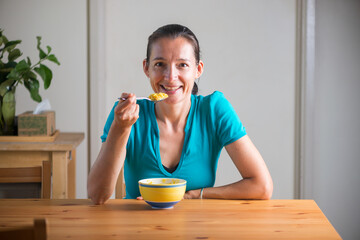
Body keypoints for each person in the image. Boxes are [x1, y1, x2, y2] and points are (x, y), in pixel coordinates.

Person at [87, 24, 273, 204]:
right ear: (146, 68)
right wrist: (120, 129)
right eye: (160, 64)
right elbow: (97, 195)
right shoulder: (125, 115)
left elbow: (262, 186)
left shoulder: (214, 110)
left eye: (182, 65)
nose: (170, 77)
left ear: (198, 69)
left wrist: (195, 195)